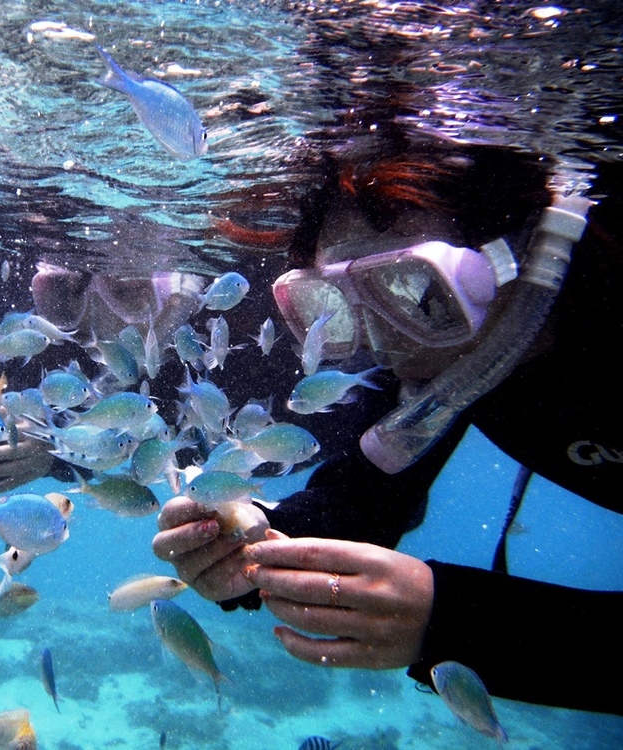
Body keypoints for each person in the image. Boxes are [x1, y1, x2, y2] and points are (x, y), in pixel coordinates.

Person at [152, 126, 623, 716]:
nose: (383, 342)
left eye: (417, 294)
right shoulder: (450, 362)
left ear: (527, 257)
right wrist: (256, 536)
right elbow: (366, 497)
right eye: (337, 305)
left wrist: (452, 620)